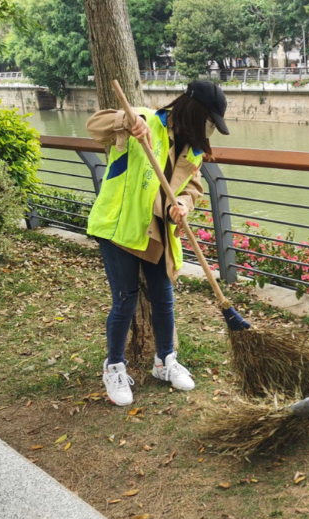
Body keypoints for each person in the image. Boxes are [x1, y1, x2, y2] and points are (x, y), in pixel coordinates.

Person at [85, 81, 230, 406]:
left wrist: (182, 206)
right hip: (118, 228)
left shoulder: (193, 149)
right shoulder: (146, 121)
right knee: (125, 301)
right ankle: (114, 367)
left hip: (157, 231)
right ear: (193, 111)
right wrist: (125, 121)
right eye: (209, 122)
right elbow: (94, 126)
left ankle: (165, 361)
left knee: (164, 300)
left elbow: (192, 187)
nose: (210, 130)